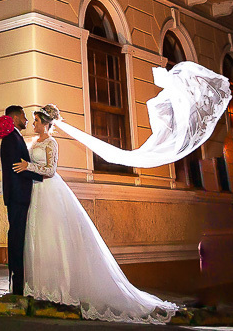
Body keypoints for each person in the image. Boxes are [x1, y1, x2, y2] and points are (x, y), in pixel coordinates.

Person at [12, 103, 179, 324]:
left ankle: (60, 288)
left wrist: (28, 167)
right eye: (32, 120)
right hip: (37, 192)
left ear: (45, 123)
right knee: (41, 237)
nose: (33, 124)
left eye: (36, 120)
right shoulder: (35, 142)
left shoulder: (51, 143)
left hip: (50, 191)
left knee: (55, 237)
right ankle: (43, 287)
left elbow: (51, 170)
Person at [0, 104, 45, 296]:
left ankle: (17, 281)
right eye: (24, 116)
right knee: (17, 239)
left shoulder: (14, 137)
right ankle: (17, 284)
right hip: (17, 196)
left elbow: (21, 166)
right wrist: (41, 174)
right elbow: (16, 168)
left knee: (19, 238)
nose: (27, 120)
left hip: (18, 196)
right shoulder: (11, 138)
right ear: (16, 117)